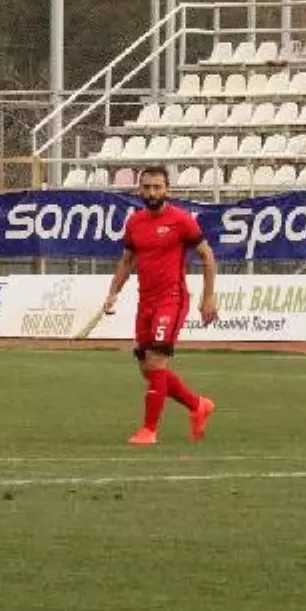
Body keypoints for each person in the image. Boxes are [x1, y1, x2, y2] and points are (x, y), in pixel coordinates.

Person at [102, 166, 218, 445]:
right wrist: (112, 292)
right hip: (146, 302)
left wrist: (208, 296)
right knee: (148, 369)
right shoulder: (135, 222)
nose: (152, 192)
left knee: (156, 363)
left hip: (172, 300)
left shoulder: (181, 220)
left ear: (167, 189)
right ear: (139, 189)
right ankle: (197, 405)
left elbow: (207, 256)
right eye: (147, 187)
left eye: (157, 187)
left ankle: (148, 430)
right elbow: (127, 261)